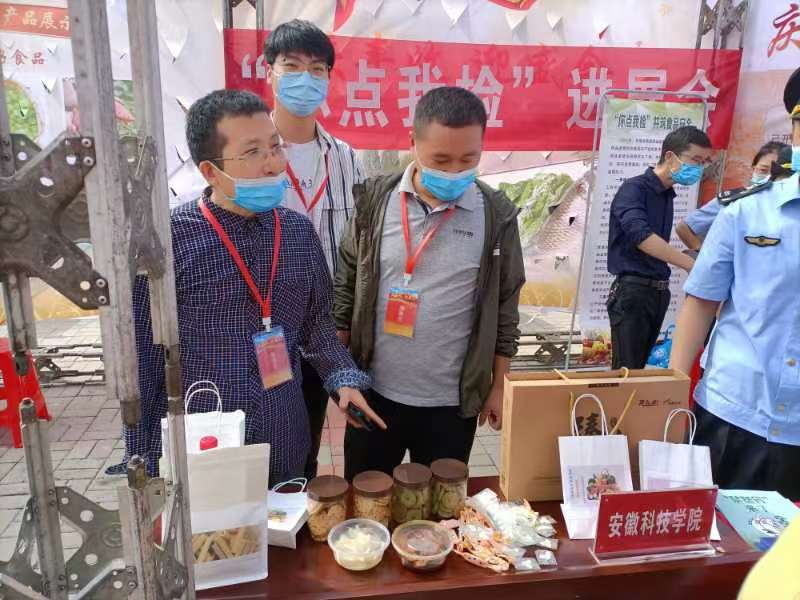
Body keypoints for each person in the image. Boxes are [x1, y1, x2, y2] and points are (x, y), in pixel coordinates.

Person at [110, 89, 385, 484]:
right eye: (253, 152)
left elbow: (317, 326)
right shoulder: (168, 243)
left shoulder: (297, 233)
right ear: (210, 172)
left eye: (275, 147)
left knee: (288, 516)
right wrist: (144, 456)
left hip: (285, 432)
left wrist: (343, 379)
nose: (273, 163)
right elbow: (145, 358)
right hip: (209, 438)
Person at [333, 87, 525, 481]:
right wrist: (341, 377)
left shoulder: (496, 215)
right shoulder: (375, 202)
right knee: (366, 502)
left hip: (452, 405)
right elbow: (346, 286)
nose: (454, 171)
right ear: (413, 143)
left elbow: (506, 306)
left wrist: (498, 386)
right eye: (441, 159)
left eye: (468, 159)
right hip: (375, 394)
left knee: (441, 508)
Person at [669, 70, 800, 501]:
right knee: (716, 536)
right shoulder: (744, 213)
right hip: (734, 412)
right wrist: (673, 397)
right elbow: (701, 303)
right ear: (794, 133)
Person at [264, 19, 365, 479]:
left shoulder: (346, 158)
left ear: (328, 78)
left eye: (317, 69)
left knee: (315, 444)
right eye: (292, 66)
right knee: (272, 449)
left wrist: (346, 321)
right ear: (269, 71)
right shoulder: (252, 156)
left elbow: (359, 246)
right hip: (270, 333)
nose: (305, 78)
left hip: (330, 335)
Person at [606, 125, 712, 370]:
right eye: (695, 160)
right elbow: (642, 236)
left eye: (704, 163)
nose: (699, 169)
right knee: (627, 372)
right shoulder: (634, 189)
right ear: (670, 157)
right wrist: (690, 264)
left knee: (641, 369)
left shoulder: (666, 195)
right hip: (633, 293)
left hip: (657, 292)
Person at [676, 141, 788, 252]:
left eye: (776, 173)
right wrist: (704, 255)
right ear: (753, 169)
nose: (769, 177)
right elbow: (684, 227)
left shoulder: (792, 206)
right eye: (763, 170)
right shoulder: (732, 201)